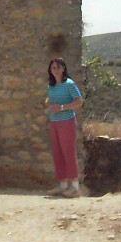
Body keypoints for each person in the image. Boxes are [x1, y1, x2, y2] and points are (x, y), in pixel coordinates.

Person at [44, 57, 84, 197]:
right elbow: (50, 99)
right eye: (53, 68)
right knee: (57, 152)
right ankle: (62, 185)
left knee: (68, 152)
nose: (56, 70)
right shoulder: (51, 86)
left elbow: (79, 101)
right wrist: (49, 102)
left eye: (58, 67)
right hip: (54, 121)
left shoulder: (69, 84)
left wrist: (62, 107)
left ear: (64, 69)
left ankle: (74, 187)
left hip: (67, 121)